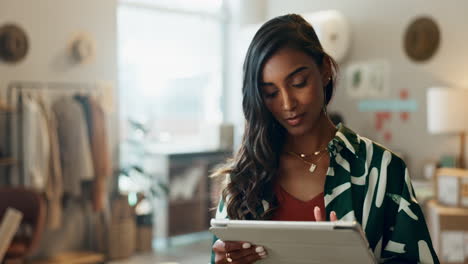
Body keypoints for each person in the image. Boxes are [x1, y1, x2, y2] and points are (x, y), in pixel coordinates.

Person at [210, 14, 439, 264]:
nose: (287, 104)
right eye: (271, 93)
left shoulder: (383, 170)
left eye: (298, 83)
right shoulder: (244, 176)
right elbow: (219, 254)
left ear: (325, 70)